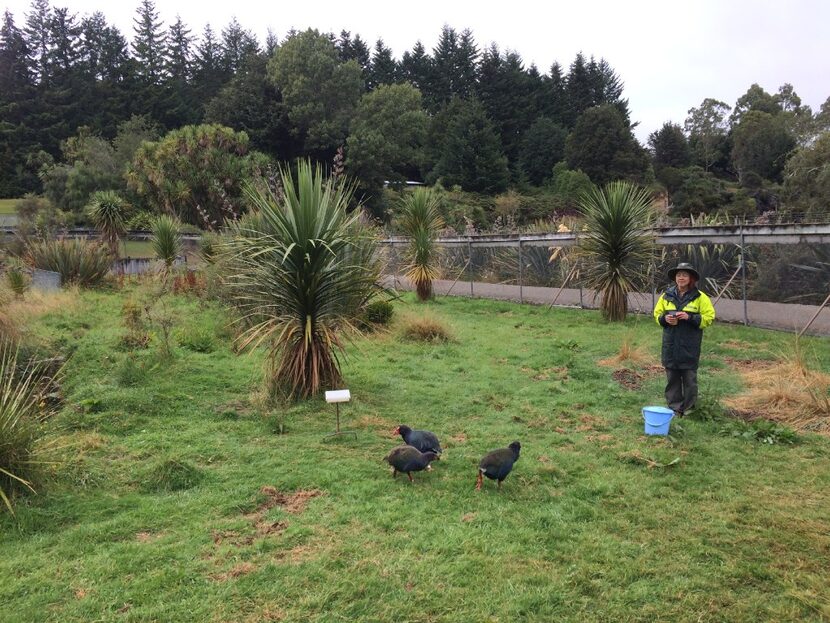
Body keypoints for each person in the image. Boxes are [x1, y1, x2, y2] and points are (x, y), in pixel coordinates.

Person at [653, 262, 716, 417]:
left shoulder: (700, 298)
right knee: (672, 378)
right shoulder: (666, 296)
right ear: (675, 278)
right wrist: (664, 319)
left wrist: (690, 317)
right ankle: (675, 408)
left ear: (691, 278)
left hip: (690, 345)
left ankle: (688, 409)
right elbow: (657, 314)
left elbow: (709, 318)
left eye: (684, 275)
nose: (681, 278)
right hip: (671, 344)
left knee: (689, 379)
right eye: (679, 275)